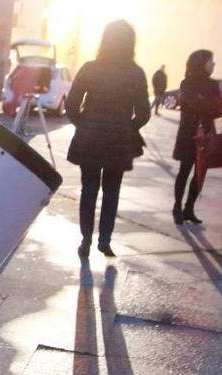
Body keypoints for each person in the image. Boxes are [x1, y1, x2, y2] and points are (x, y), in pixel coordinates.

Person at [65, 20, 150, 258]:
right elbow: (144, 113)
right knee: (112, 191)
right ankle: (105, 240)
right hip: (118, 140)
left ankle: (85, 240)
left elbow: (71, 106)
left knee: (88, 189)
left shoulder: (90, 68)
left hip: (90, 138)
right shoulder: (135, 73)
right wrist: (127, 128)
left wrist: (85, 124)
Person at [172, 49, 222, 225]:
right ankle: (177, 206)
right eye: (211, 61)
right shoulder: (187, 82)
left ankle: (190, 207)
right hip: (189, 134)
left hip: (207, 133)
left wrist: (203, 102)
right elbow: (194, 104)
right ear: (202, 63)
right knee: (184, 171)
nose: (213, 65)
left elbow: (219, 109)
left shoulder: (213, 84)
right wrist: (206, 103)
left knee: (200, 172)